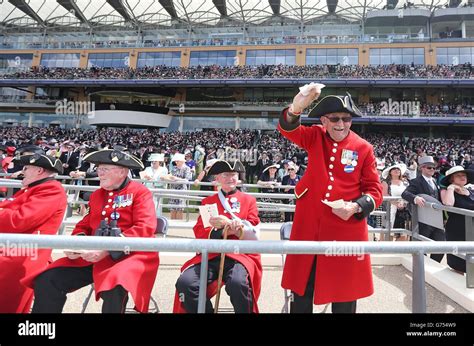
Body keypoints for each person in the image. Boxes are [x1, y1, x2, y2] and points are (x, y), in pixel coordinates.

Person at [278, 89, 383, 313]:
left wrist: (356, 206)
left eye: (346, 119)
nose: (341, 124)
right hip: (310, 222)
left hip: (346, 227)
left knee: (345, 290)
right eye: (335, 118)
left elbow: (374, 190)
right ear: (324, 120)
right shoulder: (314, 135)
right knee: (302, 286)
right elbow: (289, 129)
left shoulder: (364, 148)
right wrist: (296, 107)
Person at [24, 148, 159, 313]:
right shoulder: (97, 196)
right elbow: (84, 226)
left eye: (105, 169)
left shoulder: (140, 193)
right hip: (94, 256)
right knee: (48, 279)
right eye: (98, 169)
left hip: (129, 256)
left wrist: (107, 250)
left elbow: (145, 227)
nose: (99, 173)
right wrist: (77, 245)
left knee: (114, 284)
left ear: (122, 172)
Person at [174, 160, 262, 313]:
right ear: (217, 179)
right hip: (212, 255)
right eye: (226, 175)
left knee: (238, 284)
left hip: (239, 255)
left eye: (233, 175)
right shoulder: (208, 202)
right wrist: (224, 231)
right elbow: (200, 232)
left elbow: (253, 229)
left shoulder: (249, 200)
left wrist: (229, 225)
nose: (230, 178)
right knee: (186, 283)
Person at [0, 153, 66, 313]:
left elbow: (18, 219)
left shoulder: (51, 190)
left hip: (22, 254)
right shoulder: (34, 189)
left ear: (39, 171)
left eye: (26, 168)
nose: (22, 171)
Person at [402, 155, 446, 263]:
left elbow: (439, 200)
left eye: (433, 167)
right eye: (428, 167)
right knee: (421, 246)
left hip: (436, 220)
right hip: (423, 219)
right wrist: (415, 198)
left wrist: (444, 217)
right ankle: (422, 267)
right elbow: (405, 194)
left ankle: (433, 265)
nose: (432, 169)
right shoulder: (416, 181)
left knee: (441, 244)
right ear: (422, 168)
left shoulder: (435, 181)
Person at [440, 166, 474, 274]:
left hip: (471, 229)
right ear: (452, 179)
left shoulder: (470, 191)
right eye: (458, 176)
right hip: (457, 229)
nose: (462, 177)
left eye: (463, 175)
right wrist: (451, 188)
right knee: (458, 262)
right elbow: (448, 204)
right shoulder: (448, 191)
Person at [381, 163, 409, 241]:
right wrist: (396, 204)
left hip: (403, 209)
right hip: (389, 209)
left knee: (402, 234)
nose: (397, 170)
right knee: (388, 233)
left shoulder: (405, 182)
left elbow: (409, 194)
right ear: (390, 172)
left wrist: (404, 204)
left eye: (398, 169)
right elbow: (385, 195)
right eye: (394, 169)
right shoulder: (386, 182)